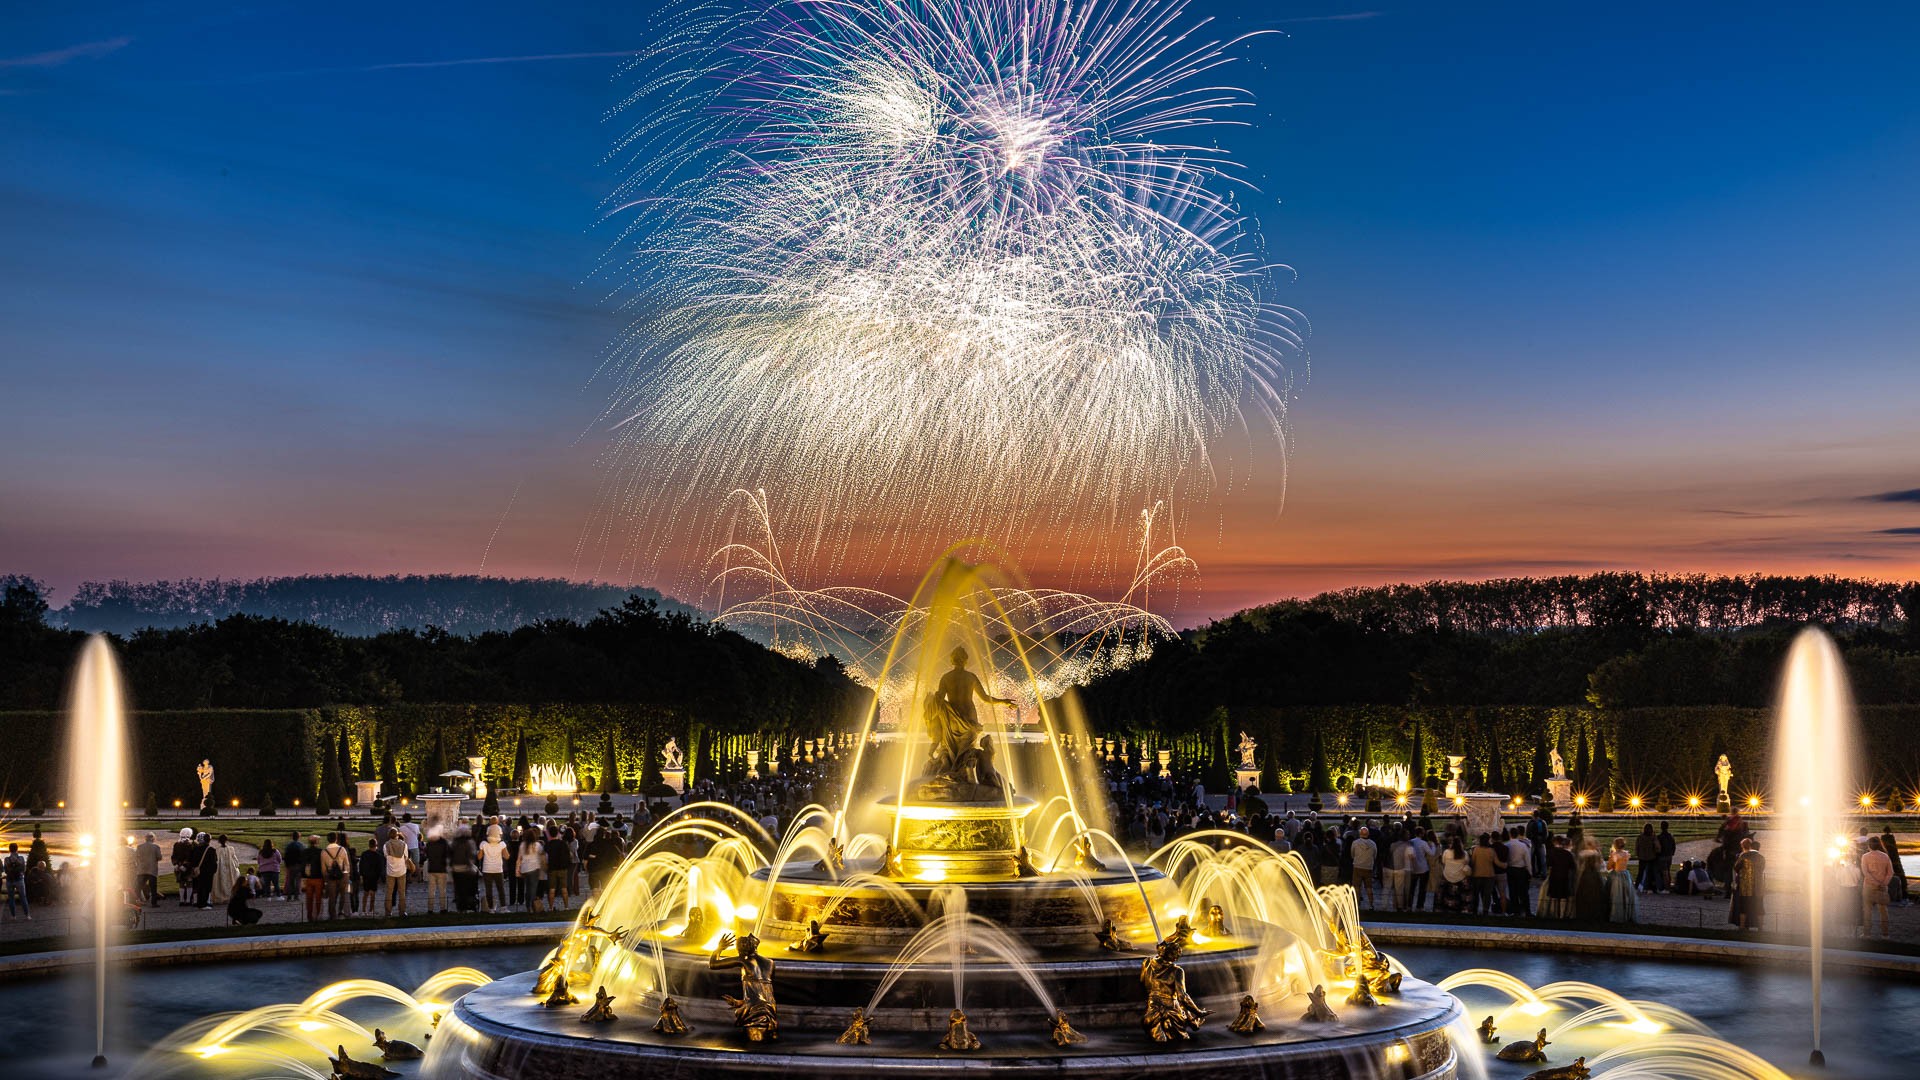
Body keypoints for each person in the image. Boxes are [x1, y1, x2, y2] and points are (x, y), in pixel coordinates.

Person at [1728, 837, 1767, 932]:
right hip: (1758, 887)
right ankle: (1760, 928)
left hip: (1745, 886)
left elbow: (1736, 868)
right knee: (1759, 908)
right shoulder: (1762, 857)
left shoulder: (1744, 856)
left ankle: (1742, 927)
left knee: (1744, 907)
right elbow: (1762, 870)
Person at [1861, 836, 1894, 938]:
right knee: (1883, 911)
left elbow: (1865, 873)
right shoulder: (1885, 856)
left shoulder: (1865, 856)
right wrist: (1884, 883)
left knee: (1867, 911)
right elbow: (1890, 872)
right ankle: (1885, 934)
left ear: (1869, 845)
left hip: (1869, 886)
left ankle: (1867, 934)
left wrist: (1875, 883)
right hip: (1882, 887)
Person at [1540, 836, 1576, 919]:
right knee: (1563, 896)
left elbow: (1548, 864)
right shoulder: (1568, 854)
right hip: (1565, 877)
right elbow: (1572, 866)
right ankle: (1562, 914)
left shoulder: (1550, 852)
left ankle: (1555, 913)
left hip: (1554, 876)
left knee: (1554, 896)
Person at [321, 833, 353, 920]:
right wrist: (347, 875)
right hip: (342, 875)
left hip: (330, 876)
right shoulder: (342, 849)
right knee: (342, 895)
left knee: (332, 897)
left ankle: (332, 915)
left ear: (328, 840)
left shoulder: (324, 852)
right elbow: (347, 864)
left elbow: (323, 869)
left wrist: (326, 879)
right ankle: (340, 912)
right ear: (336, 839)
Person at [1606, 837, 1637, 924]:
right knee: (1626, 895)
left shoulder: (1614, 854)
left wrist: (1611, 857)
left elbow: (1608, 867)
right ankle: (1626, 914)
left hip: (1617, 875)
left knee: (1616, 895)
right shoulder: (1626, 853)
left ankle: (1616, 915)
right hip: (1625, 874)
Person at [383, 830, 413, 917]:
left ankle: (388, 912)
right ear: (397, 835)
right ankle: (402, 911)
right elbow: (406, 857)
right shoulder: (404, 844)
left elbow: (386, 856)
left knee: (389, 892)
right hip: (401, 871)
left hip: (390, 871)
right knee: (402, 892)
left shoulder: (386, 845)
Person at [1438, 836, 1471, 912]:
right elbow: (1467, 862)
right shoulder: (1464, 853)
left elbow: (1443, 862)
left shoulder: (1446, 852)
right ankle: (1463, 908)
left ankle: (1444, 907)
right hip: (1460, 876)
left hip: (1447, 875)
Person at [480, 824, 509, 912]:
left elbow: (479, 857)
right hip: (498, 869)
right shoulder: (502, 844)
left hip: (487, 869)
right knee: (501, 889)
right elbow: (507, 856)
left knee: (488, 890)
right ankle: (503, 907)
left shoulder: (483, 844)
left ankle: (491, 908)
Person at [1469, 834, 1500, 915]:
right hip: (1489, 875)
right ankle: (1485, 910)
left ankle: (1475, 909)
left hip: (1477, 874)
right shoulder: (1491, 851)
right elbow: (1497, 862)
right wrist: (1505, 865)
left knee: (1476, 893)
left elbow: (1472, 862)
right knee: (1487, 894)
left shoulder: (1476, 849)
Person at [423, 827, 451, 914]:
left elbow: (427, 854)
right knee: (442, 890)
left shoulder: (429, 843)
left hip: (432, 868)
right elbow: (448, 854)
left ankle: (430, 909)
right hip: (442, 868)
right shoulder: (444, 842)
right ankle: (443, 908)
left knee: (431, 890)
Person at [1504, 829, 1532, 916]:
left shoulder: (1507, 845)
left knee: (1513, 891)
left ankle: (1516, 911)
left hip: (1510, 869)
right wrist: (1530, 872)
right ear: (1518, 834)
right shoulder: (1523, 846)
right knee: (1523, 892)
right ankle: (1527, 911)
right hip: (1521, 870)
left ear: (1510, 834)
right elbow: (1527, 860)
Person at [1349, 827, 1377, 910]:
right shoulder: (1373, 844)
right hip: (1368, 867)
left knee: (1357, 886)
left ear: (1360, 834)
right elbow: (1374, 855)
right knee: (1369, 887)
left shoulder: (1355, 843)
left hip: (1357, 866)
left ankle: (1357, 903)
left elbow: (1352, 854)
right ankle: (1371, 904)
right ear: (1368, 834)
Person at [134, 833, 163, 907]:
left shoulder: (139, 847)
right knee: (153, 887)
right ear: (153, 839)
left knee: (139, 887)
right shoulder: (156, 847)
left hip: (142, 869)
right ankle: (154, 903)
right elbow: (159, 857)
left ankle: (136, 901)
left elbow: (136, 857)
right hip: (152, 869)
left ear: (145, 839)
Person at [358, 836, 385, 915]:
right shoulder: (378, 856)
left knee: (365, 893)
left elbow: (361, 865)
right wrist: (380, 877)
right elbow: (380, 868)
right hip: (374, 877)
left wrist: (361, 875)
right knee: (372, 894)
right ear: (376, 845)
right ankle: (371, 910)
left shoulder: (364, 854)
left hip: (366, 876)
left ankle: (363, 910)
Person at [171, 828, 197, 907]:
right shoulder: (192, 844)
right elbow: (192, 858)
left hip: (179, 866)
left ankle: (182, 900)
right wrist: (185, 865)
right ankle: (188, 900)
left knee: (181, 883)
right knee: (189, 883)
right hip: (189, 867)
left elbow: (173, 856)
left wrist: (176, 864)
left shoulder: (176, 844)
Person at [3, 843, 28, 920]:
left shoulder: (6, 859)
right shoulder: (21, 858)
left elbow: (5, 871)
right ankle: (27, 915)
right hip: (19, 879)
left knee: (11, 898)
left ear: (9, 850)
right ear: (17, 849)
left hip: (9, 880)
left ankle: (13, 916)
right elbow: (24, 869)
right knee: (23, 897)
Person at [1634, 824, 1659, 893]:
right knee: (1651, 873)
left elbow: (1637, 847)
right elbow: (1657, 847)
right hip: (1651, 857)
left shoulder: (1640, 837)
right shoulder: (1653, 837)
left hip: (1642, 857)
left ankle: (1636, 886)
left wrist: (1638, 854)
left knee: (1640, 873)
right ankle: (1651, 888)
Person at [283, 832, 307, 904]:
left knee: (291, 881)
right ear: (299, 837)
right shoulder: (302, 845)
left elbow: (286, 856)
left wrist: (287, 865)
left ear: (292, 837)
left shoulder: (288, 846)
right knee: (298, 881)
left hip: (290, 865)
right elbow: (304, 857)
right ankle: (296, 896)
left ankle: (289, 896)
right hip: (299, 865)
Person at [1654, 822, 1677, 893]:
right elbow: (1674, 846)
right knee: (1668, 871)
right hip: (1669, 856)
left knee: (1663, 872)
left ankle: (1665, 888)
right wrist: (1672, 853)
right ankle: (1668, 885)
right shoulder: (1670, 836)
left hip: (1662, 856)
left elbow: (1657, 848)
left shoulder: (1659, 837)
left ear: (1661, 827)